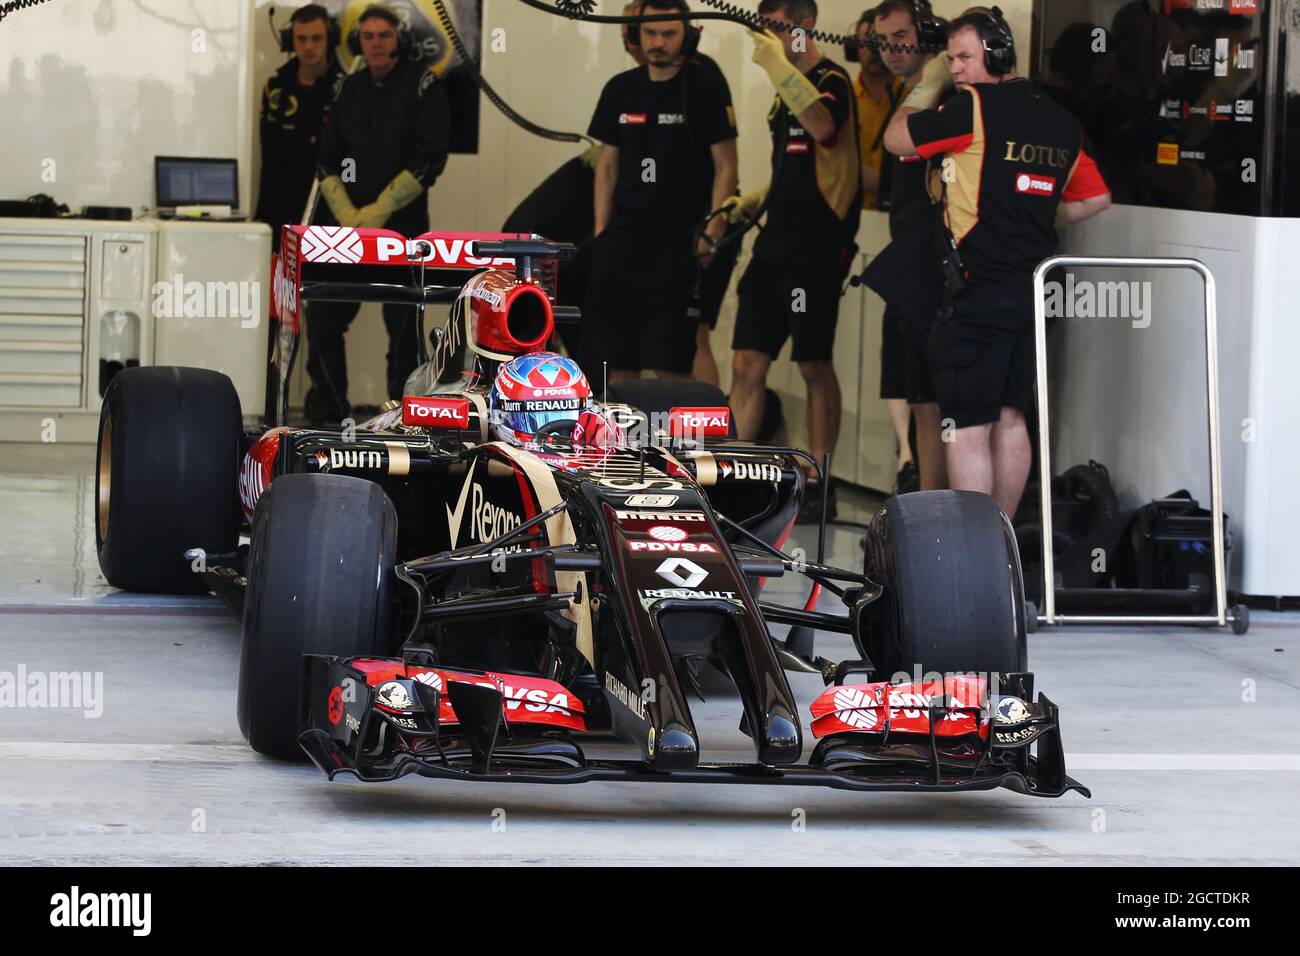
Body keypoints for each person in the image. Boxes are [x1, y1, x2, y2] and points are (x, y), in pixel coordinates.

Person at [883, 6, 1111, 518]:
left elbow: (896, 140)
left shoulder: (971, 109)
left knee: (966, 423)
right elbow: (1094, 199)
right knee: (1011, 417)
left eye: (964, 57)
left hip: (975, 289)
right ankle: (1002, 546)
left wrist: (927, 87)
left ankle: (974, 553)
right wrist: (1031, 209)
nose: (958, 68)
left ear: (998, 55)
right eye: (950, 59)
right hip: (1036, 288)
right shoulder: (1062, 120)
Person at [726, 0, 860, 521]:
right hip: (775, 240)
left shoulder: (832, 80)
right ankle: (732, 473)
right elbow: (794, 162)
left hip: (819, 246)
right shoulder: (782, 92)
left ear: (804, 27)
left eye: (779, 29)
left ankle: (818, 481)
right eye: (766, 30)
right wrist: (755, 198)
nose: (771, 39)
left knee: (812, 362)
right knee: (745, 360)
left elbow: (824, 127)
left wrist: (782, 64)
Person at [582, 0, 739, 386]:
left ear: (688, 35)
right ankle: (619, 444)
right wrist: (602, 229)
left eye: (669, 33)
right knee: (616, 366)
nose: (659, 43)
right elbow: (606, 166)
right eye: (650, 33)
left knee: (673, 367)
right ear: (637, 36)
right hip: (621, 243)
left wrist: (712, 231)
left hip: (678, 245)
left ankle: (695, 444)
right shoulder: (620, 89)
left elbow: (727, 167)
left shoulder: (706, 86)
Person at [308, 3, 451, 424]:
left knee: (404, 330)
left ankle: (400, 418)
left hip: (403, 232)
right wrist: (351, 215)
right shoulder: (347, 89)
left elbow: (430, 160)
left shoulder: (425, 86)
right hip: (346, 230)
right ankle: (331, 415)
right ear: (358, 42)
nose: (375, 43)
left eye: (383, 36)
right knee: (323, 319)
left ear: (400, 41)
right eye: (367, 36)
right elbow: (326, 159)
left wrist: (378, 212)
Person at [869, 0, 949, 494]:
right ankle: (918, 489)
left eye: (901, 36)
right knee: (914, 393)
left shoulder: (945, 97)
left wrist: (937, 73)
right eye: (882, 41)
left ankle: (938, 507)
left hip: (939, 269)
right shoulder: (911, 97)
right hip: (907, 263)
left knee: (935, 401)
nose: (891, 49)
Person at [255, 4, 344, 249]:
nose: (308, 46)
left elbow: (353, 158)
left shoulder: (347, 88)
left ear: (330, 39)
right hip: (282, 209)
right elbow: (269, 161)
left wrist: (350, 199)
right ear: (289, 41)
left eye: (316, 38)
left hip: (332, 212)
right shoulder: (275, 89)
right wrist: (263, 214)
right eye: (301, 38)